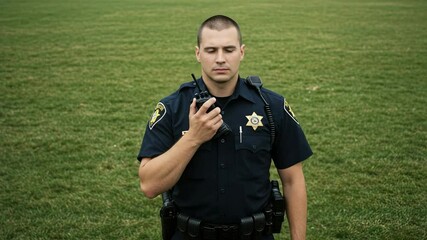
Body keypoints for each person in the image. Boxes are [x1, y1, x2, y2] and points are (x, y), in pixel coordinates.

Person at [137, 15, 312, 240]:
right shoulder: (172, 108)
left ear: (242, 52)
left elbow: (293, 180)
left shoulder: (272, 106)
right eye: (211, 50)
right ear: (198, 53)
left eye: (228, 49)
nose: (220, 59)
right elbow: (149, 185)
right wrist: (193, 138)